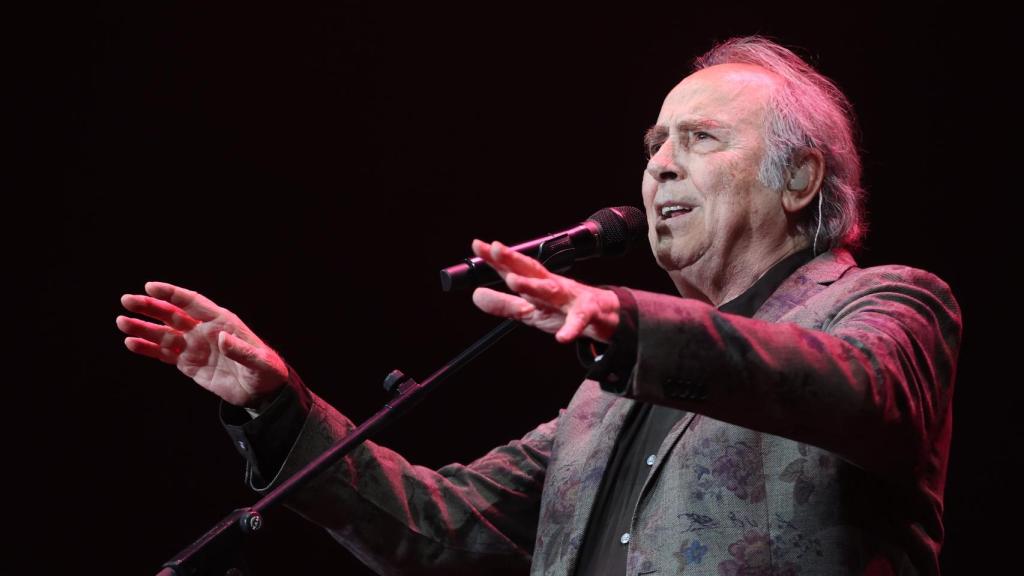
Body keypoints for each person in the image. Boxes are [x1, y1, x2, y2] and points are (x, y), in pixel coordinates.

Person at [117, 37, 961, 575]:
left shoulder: (887, 306)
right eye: (654, 146)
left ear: (801, 178)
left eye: (699, 139)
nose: (660, 165)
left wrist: (626, 323)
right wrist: (276, 407)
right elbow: (438, 529)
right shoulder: (604, 397)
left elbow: (856, 388)